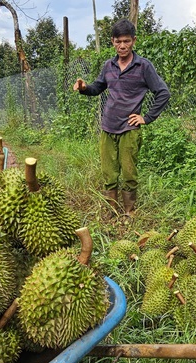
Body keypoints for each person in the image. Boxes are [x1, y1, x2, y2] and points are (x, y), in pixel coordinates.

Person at [74, 18, 170, 218]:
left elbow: (163, 93)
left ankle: (129, 211)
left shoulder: (144, 66)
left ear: (134, 41)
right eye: (118, 42)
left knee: (128, 172)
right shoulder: (108, 65)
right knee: (109, 172)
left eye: (126, 41)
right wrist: (84, 88)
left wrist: (147, 118)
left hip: (129, 128)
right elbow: (97, 88)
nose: (122, 46)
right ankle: (110, 209)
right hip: (108, 126)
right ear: (112, 42)